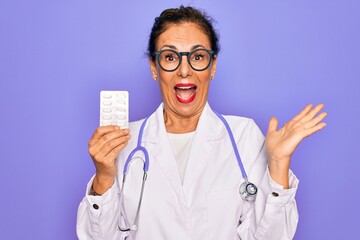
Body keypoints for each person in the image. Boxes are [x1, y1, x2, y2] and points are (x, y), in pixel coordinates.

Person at [77, 6, 327, 240]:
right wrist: (104, 177)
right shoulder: (121, 142)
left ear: (213, 66)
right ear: (154, 67)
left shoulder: (244, 136)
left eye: (197, 56)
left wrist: (279, 164)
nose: (184, 70)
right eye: (170, 57)